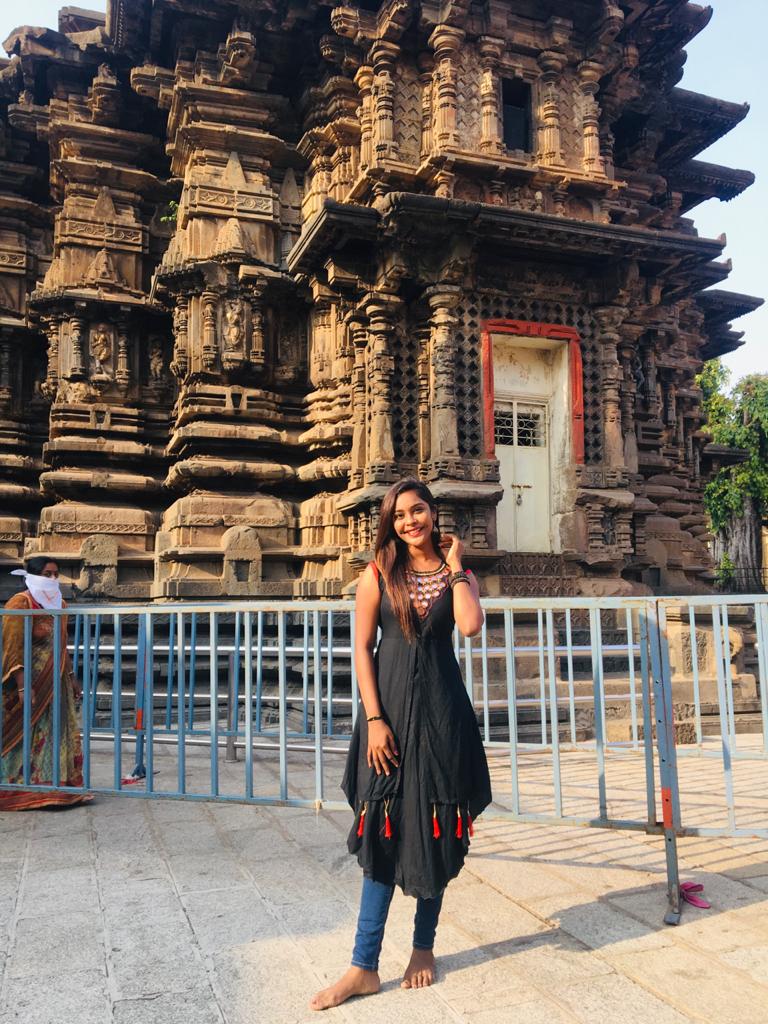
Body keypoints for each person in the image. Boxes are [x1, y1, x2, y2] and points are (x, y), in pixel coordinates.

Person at [311, 479, 492, 1010]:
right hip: (387, 713)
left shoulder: (459, 576)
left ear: (433, 514)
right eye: (399, 515)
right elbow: (361, 648)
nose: (410, 521)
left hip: (442, 716)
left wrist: (456, 565)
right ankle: (362, 966)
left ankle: (422, 947)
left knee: (435, 826)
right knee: (381, 835)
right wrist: (373, 718)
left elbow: (470, 625)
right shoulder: (378, 573)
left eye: (418, 511)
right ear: (390, 523)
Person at [0, 557, 90, 810]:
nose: (53, 579)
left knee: (56, 733)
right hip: (30, 684)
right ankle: (18, 787)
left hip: (57, 682)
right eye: (47, 574)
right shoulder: (21, 603)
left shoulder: (59, 604)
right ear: (32, 575)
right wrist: (22, 685)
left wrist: (71, 677)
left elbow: (62, 645)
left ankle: (57, 787)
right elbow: (12, 648)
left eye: (56, 574)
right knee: (24, 734)